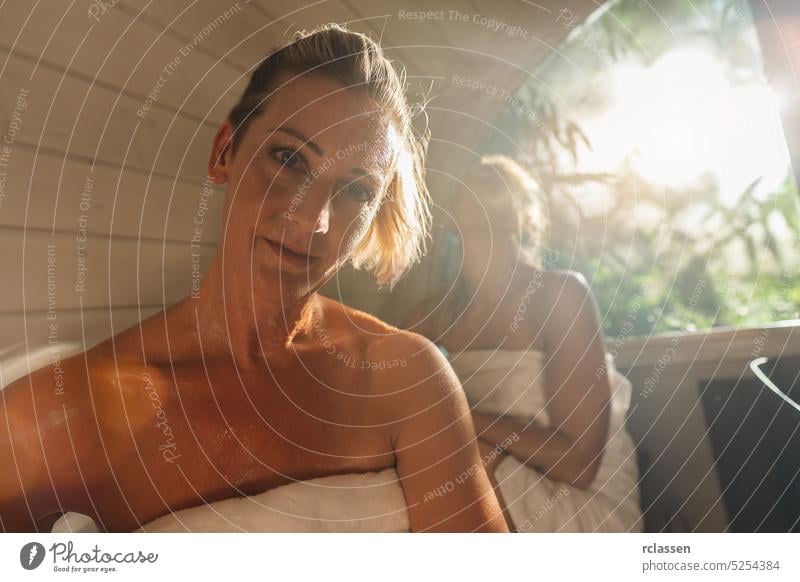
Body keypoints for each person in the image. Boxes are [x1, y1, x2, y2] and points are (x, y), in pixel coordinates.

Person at [0, 25, 507, 533]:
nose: (314, 221)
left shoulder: (409, 379)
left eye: (354, 191)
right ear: (224, 152)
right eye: (288, 159)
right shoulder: (61, 415)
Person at [404, 155, 643, 532]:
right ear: (449, 215)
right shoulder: (431, 316)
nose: (480, 197)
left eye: (495, 188)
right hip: (486, 476)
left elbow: (578, 466)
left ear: (522, 215)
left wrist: (454, 415)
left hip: (582, 502)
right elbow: (382, 394)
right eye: (468, 186)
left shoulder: (559, 296)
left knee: (453, 460)